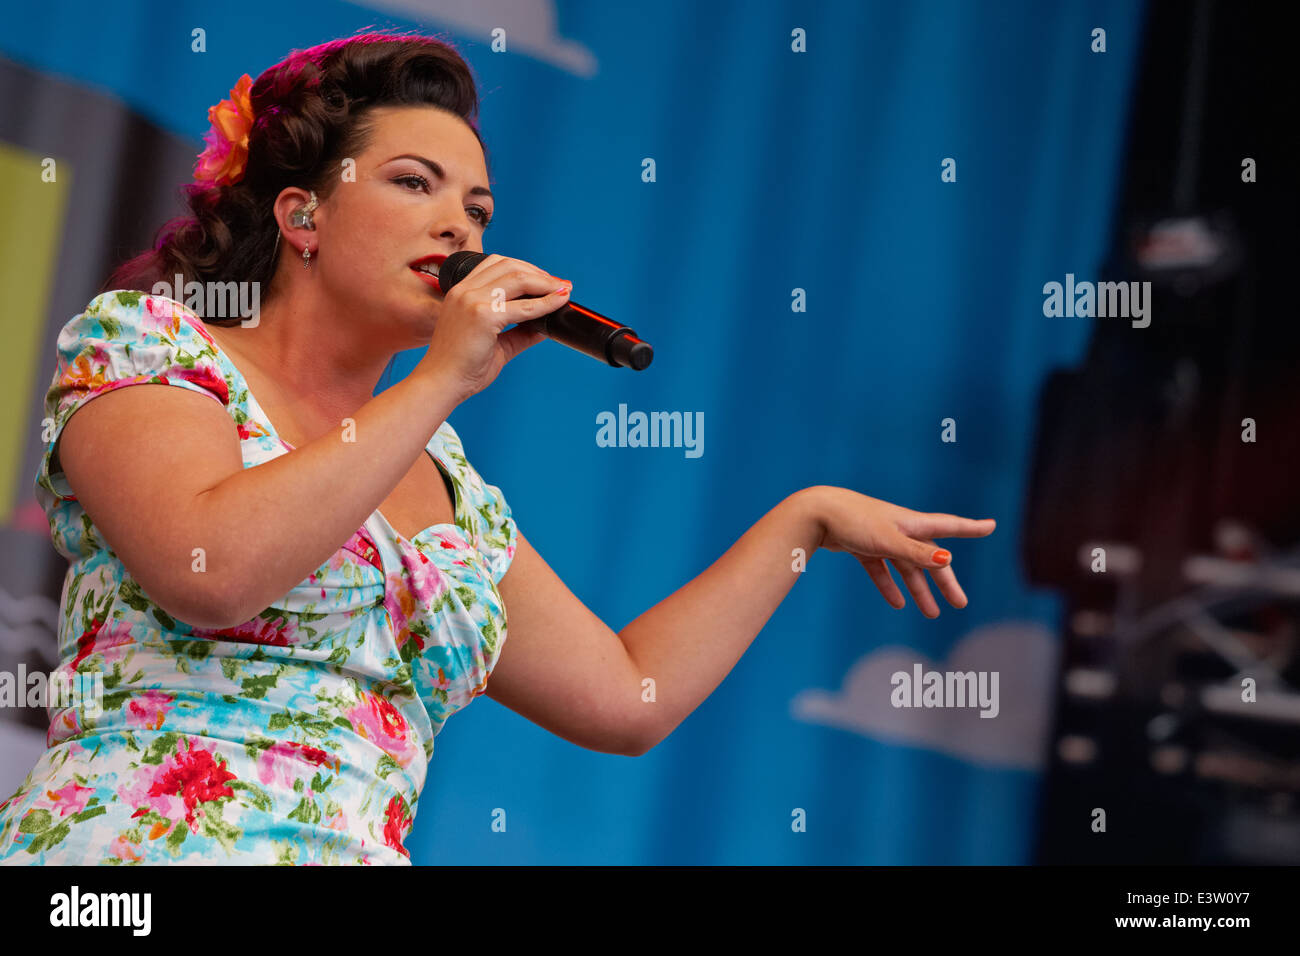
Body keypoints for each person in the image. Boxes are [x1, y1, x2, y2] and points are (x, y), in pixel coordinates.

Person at [0, 30, 995, 865]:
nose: (458, 223)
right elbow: (206, 572)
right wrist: (441, 378)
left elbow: (626, 695)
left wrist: (801, 518)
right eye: (413, 182)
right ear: (302, 213)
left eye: (476, 208)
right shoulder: (153, 344)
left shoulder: (447, 483)